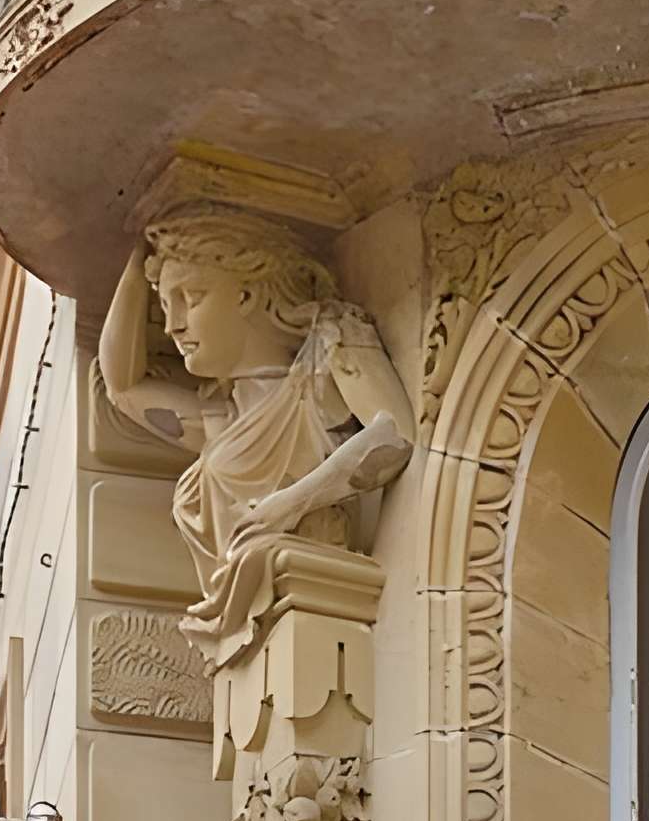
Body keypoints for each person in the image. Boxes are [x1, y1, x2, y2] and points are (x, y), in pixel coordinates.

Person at [97, 205, 414, 661]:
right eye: (166, 305)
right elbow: (123, 387)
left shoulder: (327, 351)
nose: (172, 326)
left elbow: (395, 434)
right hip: (254, 646)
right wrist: (134, 255)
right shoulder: (219, 421)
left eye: (192, 296)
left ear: (245, 295)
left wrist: (286, 506)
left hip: (326, 620)